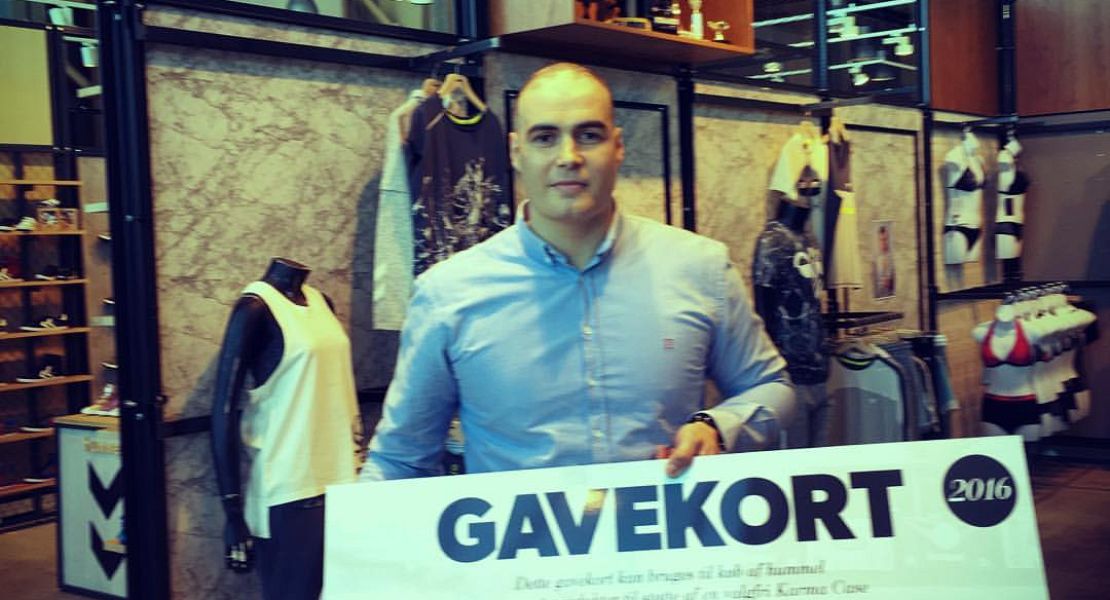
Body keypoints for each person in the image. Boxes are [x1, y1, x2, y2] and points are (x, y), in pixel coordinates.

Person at [361, 62, 794, 482]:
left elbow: (772, 387)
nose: (568, 157)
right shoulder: (447, 294)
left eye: (589, 135)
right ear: (516, 152)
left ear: (618, 147)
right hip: (525, 535)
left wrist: (718, 426)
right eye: (544, 138)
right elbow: (400, 460)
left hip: (668, 528)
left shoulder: (701, 268)